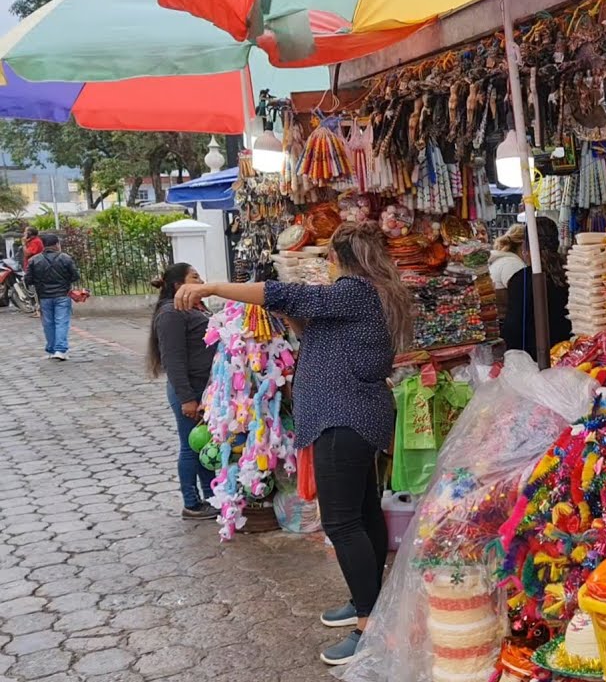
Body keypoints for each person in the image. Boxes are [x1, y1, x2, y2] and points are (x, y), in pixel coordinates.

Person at [173, 221, 413, 665]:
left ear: (338, 259)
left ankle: (370, 625)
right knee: (361, 513)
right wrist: (291, 317)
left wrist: (214, 288)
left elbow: (287, 294)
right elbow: (313, 328)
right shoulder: (366, 294)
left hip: (345, 419)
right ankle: (371, 601)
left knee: (342, 524)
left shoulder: (353, 291)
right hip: (351, 416)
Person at [147, 263, 218, 521]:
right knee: (191, 447)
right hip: (190, 390)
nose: (201, 281)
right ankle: (192, 503)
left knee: (204, 444)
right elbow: (173, 360)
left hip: (204, 388)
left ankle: (212, 497)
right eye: (195, 277)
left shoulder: (194, 308)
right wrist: (187, 398)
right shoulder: (171, 313)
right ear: (179, 286)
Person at [501, 216, 572, 357]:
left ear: (526, 246)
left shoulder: (522, 280)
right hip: (571, 354)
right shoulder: (571, 273)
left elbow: (513, 328)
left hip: (533, 361)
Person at [25, 234, 79, 361]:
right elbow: (75, 276)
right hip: (62, 295)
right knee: (61, 322)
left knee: (48, 323)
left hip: (44, 296)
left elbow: (28, 280)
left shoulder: (34, 260)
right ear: (57, 244)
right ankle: (60, 349)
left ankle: (51, 349)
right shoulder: (65, 258)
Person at [489, 223, 528, 311]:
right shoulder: (512, 264)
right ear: (523, 246)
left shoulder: (503, 259)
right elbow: (522, 296)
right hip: (504, 319)